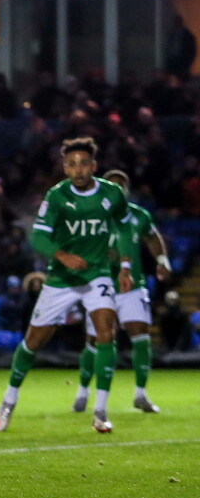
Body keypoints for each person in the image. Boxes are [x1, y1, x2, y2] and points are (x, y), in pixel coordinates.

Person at [0, 137, 134, 434]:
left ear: (93, 166)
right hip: (61, 278)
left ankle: (100, 411)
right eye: (71, 164)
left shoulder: (111, 193)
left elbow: (124, 227)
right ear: (65, 168)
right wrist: (63, 256)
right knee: (35, 340)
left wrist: (124, 266)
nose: (78, 169)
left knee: (106, 332)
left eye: (83, 163)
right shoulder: (57, 196)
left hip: (97, 274)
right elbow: (38, 237)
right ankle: (9, 400)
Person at [73, 170, 171, 415]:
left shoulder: (138, 215)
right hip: (101, 286)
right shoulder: (92, 217)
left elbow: (152, 235)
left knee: (141, 337)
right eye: (112, 184)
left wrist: (161, 259)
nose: (117, 188)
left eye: (122, 185)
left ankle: (140, 394)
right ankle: (83, 390)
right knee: (94, 341)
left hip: (132, 286)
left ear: (126, 190)